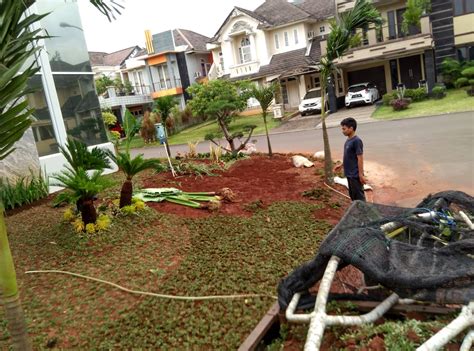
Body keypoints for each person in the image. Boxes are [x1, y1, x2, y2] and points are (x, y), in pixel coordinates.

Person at [334, 117, 367, 201]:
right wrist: (341, 165)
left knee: (359, 198)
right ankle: (356, 212)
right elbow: (348, 156)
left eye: (344, 129)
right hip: (349, 174)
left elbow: (360, 158)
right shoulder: (348, 140)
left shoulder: (357, 141)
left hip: (355, 175)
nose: (342, 131)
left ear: (351, 128)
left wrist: (360, 175)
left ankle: (364, 213)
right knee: (353, 196)